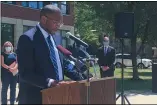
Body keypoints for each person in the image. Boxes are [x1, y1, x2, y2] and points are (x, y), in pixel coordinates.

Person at [16, 5, 83, 104]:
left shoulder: (54, 37)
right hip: (35, 98)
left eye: (60, 23)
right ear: (44, 19)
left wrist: (81, 79)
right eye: (56, 22)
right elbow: (25, 73)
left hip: (57, 96)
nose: (58, 26)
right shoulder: (28, 39)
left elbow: (60, 64)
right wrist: (50, 82)